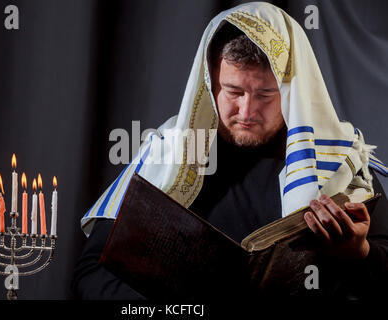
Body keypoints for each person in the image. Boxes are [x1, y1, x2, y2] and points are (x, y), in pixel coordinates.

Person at [72, 2, 388, 299]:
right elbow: (91, 274)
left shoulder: (342, 164)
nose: (247, 111)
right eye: (234, 91)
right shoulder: (165, 156)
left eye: (266, 94)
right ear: (210, 83)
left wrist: (358, 253)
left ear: (292, 91)